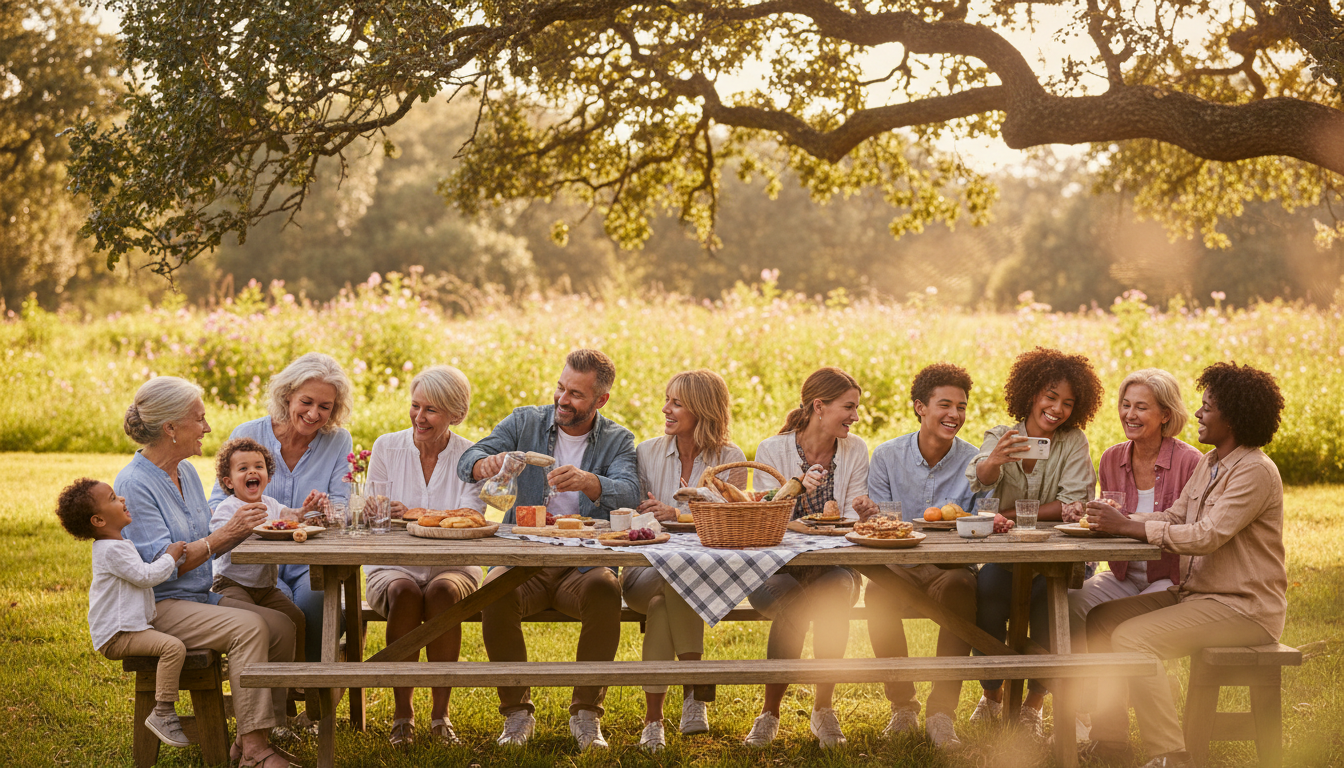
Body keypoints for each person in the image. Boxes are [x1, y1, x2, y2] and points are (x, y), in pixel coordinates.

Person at [1083, 362, 1287, 768]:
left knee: (1134, 638)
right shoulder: (1211, 465)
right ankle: (1111, 745)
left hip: (1243, 608)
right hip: (1198, 595)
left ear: (1234, 417)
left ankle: (1170, 757)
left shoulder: (1255, 471)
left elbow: (1207, 535)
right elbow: (1176, 518)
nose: (1197, 414)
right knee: (1101, 622)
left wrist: (1131, 528)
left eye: (1207, 407)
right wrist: (1118, 522)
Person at [457, 349, 639, 751]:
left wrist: (590, 482)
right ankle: (517, 714)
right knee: (495, 591)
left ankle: (586, 714)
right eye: (560, 387)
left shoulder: (618, 439)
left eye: (575, 394)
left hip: (583, 562)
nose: (563, 399)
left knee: (606, 591)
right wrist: (488, 464)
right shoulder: (524, 422)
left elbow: (630, 491)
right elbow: (468, 458)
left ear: (600, 400)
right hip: (525, 558)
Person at [116, 376, 299, 768]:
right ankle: (254, 750)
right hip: (161, 604)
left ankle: (260, 731)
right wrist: (225, 535)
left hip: (199, 595)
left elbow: (206, 540)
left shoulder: (185, 475)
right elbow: (157, 568)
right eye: (199, 419)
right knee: (248, 628)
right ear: (171, 428)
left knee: (282, 625)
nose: (208, 428)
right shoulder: (135, 484)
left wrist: (249, 529)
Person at [207, 351, 354, 728]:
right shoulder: (249, 433)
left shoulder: (338, 441)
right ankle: (284, 701)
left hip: (310, 559)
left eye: (325, 406)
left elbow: (340, 505)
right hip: (254, 567)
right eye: (306, 402)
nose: (314, 414)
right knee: (280, 614)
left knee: (315, 600)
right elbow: (217, 500)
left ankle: (315, 700)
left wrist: (323, 508)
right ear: (287, 395)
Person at [965, 347, 1103, 738]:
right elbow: (979, 479)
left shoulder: (1073, 442)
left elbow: (1072, 502)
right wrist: (994, 460)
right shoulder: (1001, 435)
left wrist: (1014, 514)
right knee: (987, 596)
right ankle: (993, 695)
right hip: (1004, 555)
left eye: (1067, 403)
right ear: (1031, 394)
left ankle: (1031, 706)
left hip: (1053, 556)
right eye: (1050, 397)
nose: (1057, 409)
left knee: (1049, 605)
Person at [857, 362, 993, 750]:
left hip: (951, 567)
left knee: (961, 586)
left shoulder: (974, 461)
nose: (955, 415)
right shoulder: (887, 456)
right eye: (945, 405)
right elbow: (882, 524)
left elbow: (984, 517)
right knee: (878, 595)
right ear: (920, 407)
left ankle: (941, 712)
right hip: (899, 566)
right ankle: (902, 706)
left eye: (962, 407)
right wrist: (870, 515)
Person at [1066, 368, 1201, 741]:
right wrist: (1086, 515)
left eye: (1142, 407)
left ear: (1166, 415)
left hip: (1172, 578)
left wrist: (1121, 520)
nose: (1130, 414)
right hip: (1124, 574)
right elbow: (1107, 518)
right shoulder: (1111, 458)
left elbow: (1190, 530)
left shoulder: (1192, 463)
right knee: (1070, 602)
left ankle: (1109, 727)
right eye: (1126, 405)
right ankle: (1083, 710)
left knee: (1118, 627)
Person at [742, 366, 871, 749]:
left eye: (856, 408)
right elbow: (765, 517)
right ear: (820, 406)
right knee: (793, 603)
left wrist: (863, 510)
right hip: (776, 567)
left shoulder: (856, 450)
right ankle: (770, 713)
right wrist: (794, 490)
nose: (855, 416)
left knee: (833, 596)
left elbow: (847, 516)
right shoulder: (773, 449)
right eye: (848, 407)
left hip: (834, 563)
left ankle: (823, 709)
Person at [625, 369, 746, 751]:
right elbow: (635, 519)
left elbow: (731, 520)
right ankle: (695, 690)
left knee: (668, 596)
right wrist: (661, 517)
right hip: (644, 571)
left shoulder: (730, 459)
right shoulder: (646, 452)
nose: (666, 409)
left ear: (702, 409)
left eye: (676, 403)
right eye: (667, 400)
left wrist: (676, 515)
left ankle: (653, 722)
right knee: (674, 581)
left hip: (703, 575)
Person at [365, 365, 484, 748]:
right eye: (416, 406)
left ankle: (440, 715)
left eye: (431, 410)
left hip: (454, 566)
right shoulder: (387, 446)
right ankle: (403, 716)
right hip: (393, 564)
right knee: (404, 591)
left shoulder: (472, 456)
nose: (420, 417)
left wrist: (412, 513)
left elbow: (469, 517)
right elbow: (375, 508)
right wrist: (380, 510)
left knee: (442, 593)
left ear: (456, 414)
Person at [58, 478, 190, 749]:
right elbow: (146, 577)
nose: (123, 500)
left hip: (128, 629)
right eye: (113, 498)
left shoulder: (115, 546)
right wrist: (171, 556)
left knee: (175, 643)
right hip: (118, 635)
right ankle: (163, 712)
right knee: (173, 648)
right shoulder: (112, 550)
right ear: (98, 520)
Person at [209, 438, 320, 667]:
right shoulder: (228, 508)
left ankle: (294, 677)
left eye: (258, 467)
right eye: (243, 468)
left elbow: (289, 517)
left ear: (268, 477)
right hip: (231, 584)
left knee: (296, 618)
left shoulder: (270, 504)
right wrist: (238, 527)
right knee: (258, 622)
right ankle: (259, 671)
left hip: (266, 588)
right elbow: (218, 538)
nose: (252, 471)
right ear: (229, 482)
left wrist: (304, 511)